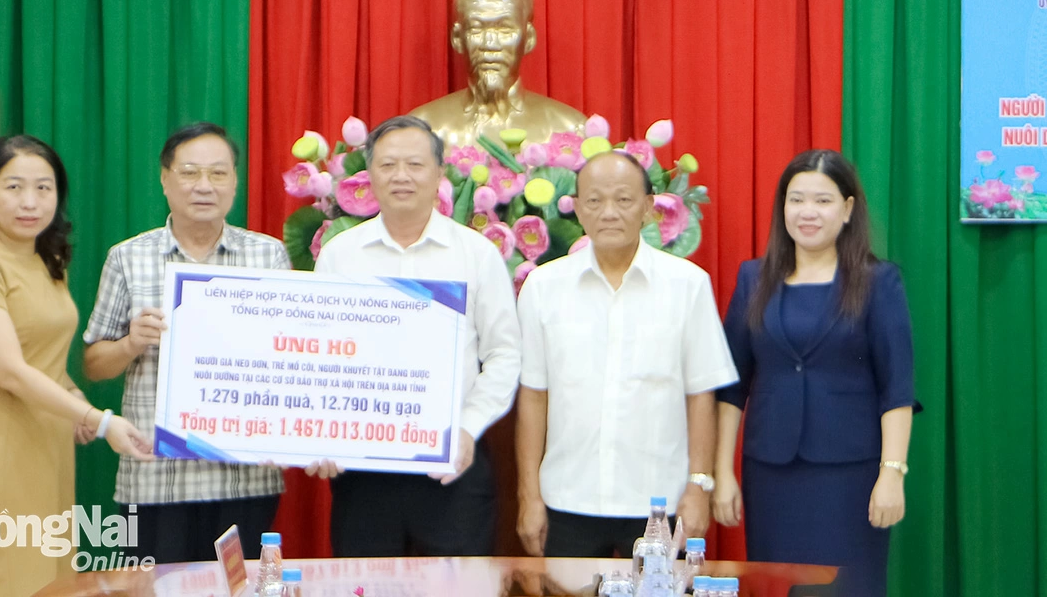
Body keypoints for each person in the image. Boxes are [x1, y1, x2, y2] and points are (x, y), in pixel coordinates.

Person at [0, 135, 151, 597]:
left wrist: (73, 395)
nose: (30, 202)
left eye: (44, 187)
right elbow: (10, 371)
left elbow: (43, 356)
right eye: (14, 187)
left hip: (48, 453)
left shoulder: (44, 260)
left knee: (53, 588)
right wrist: (98, 420)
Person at [310, 115, 521, 556]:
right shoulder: (340, 255)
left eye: (415, 164)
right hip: (362, 471)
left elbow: (504, 354)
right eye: (387, 165)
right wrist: (319, 434)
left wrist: (467, 428)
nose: (401, 176)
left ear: (440, 174)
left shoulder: (477, 254)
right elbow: (319, 356)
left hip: (452, 466)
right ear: (368, 175)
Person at [83, 122, 291, 564]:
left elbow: (290, 357)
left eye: (218, 174)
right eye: (190, 172)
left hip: (245, 478)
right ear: (164, 178)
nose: (204, 186)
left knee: (242, 594)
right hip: (156, 478)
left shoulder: (267, 256)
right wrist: (129, 345)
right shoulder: (128, 257)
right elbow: (93, 364)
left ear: (235, 181)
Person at [712, 150, 916, 597]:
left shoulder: (878, 281)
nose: (807, 212)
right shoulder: (753, 279)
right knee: (780, 586)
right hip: (771, 474)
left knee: (847, 588)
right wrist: (720, 471)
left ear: (847, 210)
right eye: (796, 199)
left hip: (850, 477)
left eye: (822, 201)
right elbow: (731, 386)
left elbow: (896, 389)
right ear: (782, 207)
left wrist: (892, 473)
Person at [515, 151, 738, 557]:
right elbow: (533, 396)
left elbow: (701, 393)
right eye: (595, 201)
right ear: (578, 210)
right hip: (568, 498)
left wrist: (699, 485)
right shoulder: (543, 288)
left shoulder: (687, 285)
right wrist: (529, 496)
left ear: (649, 208)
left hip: (659, 502)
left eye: (623, 199)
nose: (609, 212)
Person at [410, 0, 586, 148]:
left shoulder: (570, 130)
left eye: (505, 30)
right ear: (457, 38)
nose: (490, 44)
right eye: (477, 29)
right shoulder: (422, 129)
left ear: (529, 38)